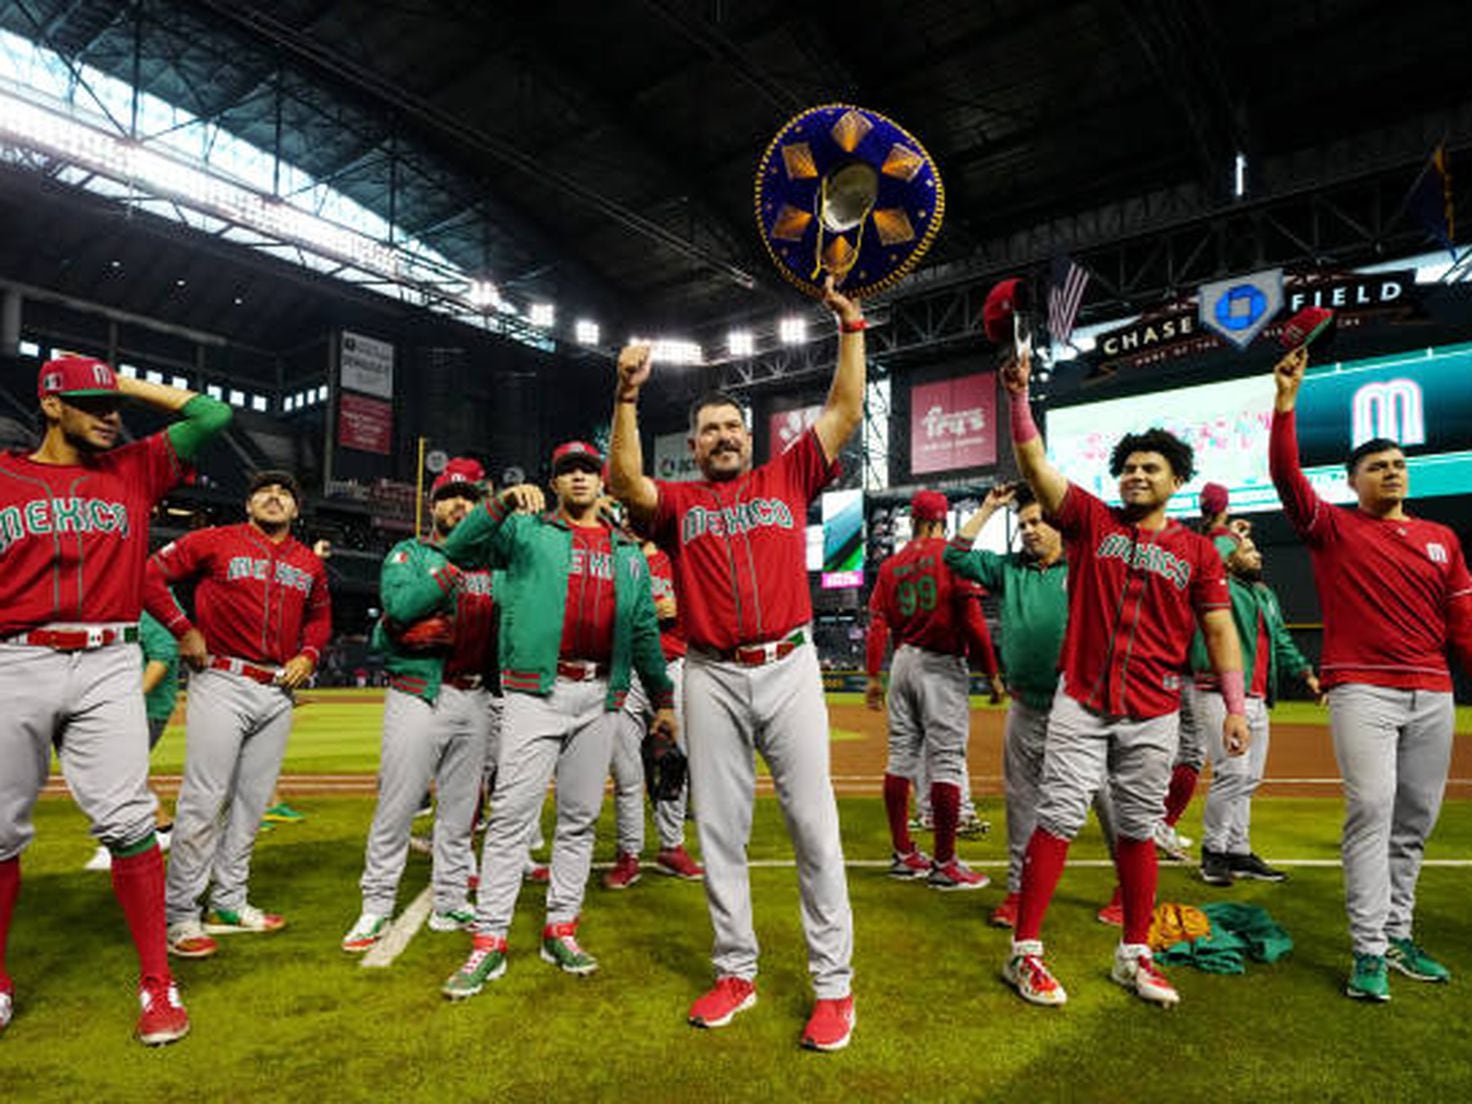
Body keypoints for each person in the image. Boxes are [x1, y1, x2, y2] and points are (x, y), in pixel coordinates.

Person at [608, 275, 864, 1052]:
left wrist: (850, 327)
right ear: (694, 444)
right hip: (711, 672)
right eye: (709, 429)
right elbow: (623, 482)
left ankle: (833, 987)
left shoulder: (786, 475)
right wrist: (625, 396)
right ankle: (736, 972)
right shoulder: (680, 504)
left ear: (749, 437)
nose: (722, 436)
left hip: (788, 664)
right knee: (719, 829)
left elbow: (846, 411)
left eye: (732, 426)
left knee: (813, 827)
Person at [995, 345, 1248, 1009]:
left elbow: (1219, 630)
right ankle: (1025, 953)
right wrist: (1019, 398)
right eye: (1129, 466)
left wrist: (1234, 706)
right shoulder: (1089, 520)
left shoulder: (1196, 552)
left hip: (1156, 708)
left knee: (1137, 831)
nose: (1136, 475)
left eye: (1151, 467)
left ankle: (1134, 952)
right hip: (1080, 699)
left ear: (1176, 480)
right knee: (1056, 817)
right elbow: (1036, 467)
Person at [0, 354, 231, 1044]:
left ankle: (158, 983)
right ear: (50, 405)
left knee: (130, 819)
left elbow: (211, 414)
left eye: (115, 404)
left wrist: (115, 381)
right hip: (16, 655)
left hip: (108, 657)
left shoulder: (136, 467)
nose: (111, 416)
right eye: (92, 404)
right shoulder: (5, 476)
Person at [1270, 344, 1472, 1002]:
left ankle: (1398, 933)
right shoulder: (1332, 528)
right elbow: (1286, 477)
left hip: (1434, 693)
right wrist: (1286, 403)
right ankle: (1367, 951)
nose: (1392, 471)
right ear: (1352, 481)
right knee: (1372, 809)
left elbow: (1463, 622)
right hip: (1362, 688)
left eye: (1398, 464)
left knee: (1414, 820)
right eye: (1377, 466)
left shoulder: (1443, 538)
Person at [438, 441, 674, 998]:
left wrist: (662, 697)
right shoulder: (526, 532)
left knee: (579, 818)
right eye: (567, 470)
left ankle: (560, 927)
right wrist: (496, 506)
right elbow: (458, 548)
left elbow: (642, 629)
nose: (578, 478)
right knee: (512, 815)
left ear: (602, 482)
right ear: (554, 481)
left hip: (601, 695)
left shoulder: (627, 550)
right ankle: (489, 940)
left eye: (588, 470)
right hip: (534, 691)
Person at [149, 470, 331, 959]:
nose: (274, 497)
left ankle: (228, 900)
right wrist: (182, 628)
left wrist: (309, 655)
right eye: (264, 492)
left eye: (285, 494)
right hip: (223, 679)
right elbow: (150, 573)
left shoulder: (307, 564)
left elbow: (320, 618)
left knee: (252, 805)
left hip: (277, 689)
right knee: (204, 801)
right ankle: (181, 913)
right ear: (248, 503)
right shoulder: (215, 541)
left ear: (295, 510)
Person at [342, 458, 499, 952]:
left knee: (458, 814)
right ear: (432, 507)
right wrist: (451, 566)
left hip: (475, 696)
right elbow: (402, 608)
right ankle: (376, 906)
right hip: (419, 693)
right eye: (449, 497)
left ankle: (452, 897)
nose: (459, 504)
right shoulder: (408, 553)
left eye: (469, 498)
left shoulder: (495, 562)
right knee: (398, 804)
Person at [865, 488, 991, 891]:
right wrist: (993, 671)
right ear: (943, 518)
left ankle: (903, 854)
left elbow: (877, 625)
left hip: (901, 662)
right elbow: (972, 619)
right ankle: (944, 863)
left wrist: (872, 677)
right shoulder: (952, 555)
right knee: (947, 762)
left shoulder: (891, 565)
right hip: (940, 663)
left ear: (912, 519)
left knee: (901, 757)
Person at [1190, 530, 1320, 886]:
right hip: (1218, 692)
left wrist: (1306, 673)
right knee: (1232, 774)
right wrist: (1219, 534)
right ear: (1228, 559)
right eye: (1248, 550)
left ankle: (1238, 851)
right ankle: (1213, 853)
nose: (1259, 555)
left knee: (1248, 779)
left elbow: (1280, 639)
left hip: (1258, 695)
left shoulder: (1264, 594)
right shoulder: (1217, 591)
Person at [605, 536, 705, 888]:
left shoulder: (674, 557)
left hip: (671, 666)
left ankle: (671, 846)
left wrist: (683, 606)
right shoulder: (609, 554)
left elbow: (704, 601)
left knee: (673, 764)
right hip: (623, 670)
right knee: (626, 770)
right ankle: (628, 853)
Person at [84, 606, 181, 872]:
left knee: (111, 774)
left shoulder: (146, 604)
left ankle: (115, 845)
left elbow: (163, 654)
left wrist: (130, 699)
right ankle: (163, 828)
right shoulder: (125, 600)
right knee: (124, 772)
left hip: (144, 708)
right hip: (133, 706)